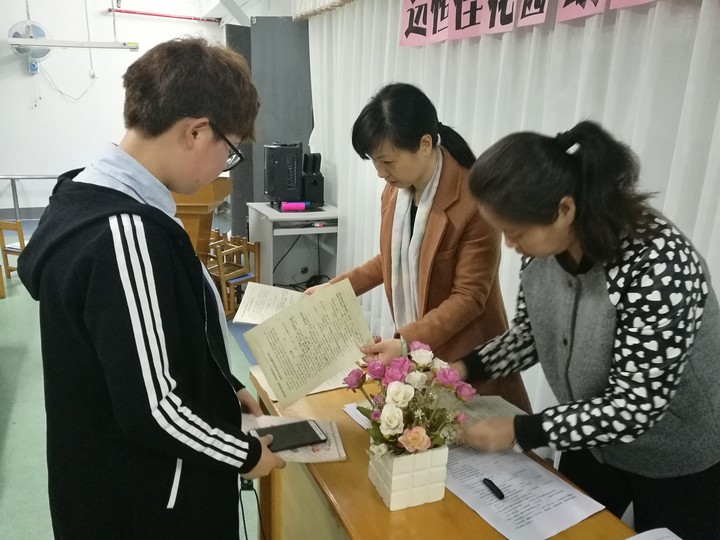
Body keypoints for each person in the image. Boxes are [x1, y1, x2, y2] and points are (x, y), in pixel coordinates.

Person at [17, 38, 285, 540]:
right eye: (229, 152)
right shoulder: (124, 232)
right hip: (146, 503)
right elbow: (153, 409)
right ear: (196, 132)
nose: (223, 168)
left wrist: (224, 388)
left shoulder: (93, 198)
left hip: (120, 485)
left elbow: (146, 345)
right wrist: (246, 455)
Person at [456, 120, 720, 539]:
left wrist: (521, 431)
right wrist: (461, 369)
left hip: (677, 452)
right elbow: (530, 334)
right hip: (591, 435)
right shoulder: (541, 253)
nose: (509, 244)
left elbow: (635, 406)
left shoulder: (658, 264)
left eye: (515, 232)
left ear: (565, 210)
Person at [308, 83, 531, 412]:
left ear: (425, 144)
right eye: (374, 162)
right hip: (421, 347)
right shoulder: (397, 190)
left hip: (467, 357)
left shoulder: (472, 200)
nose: (380, 173)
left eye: (387, 161)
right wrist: (334, 290)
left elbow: (469, 297)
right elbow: (390, 260)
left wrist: (404, 342)